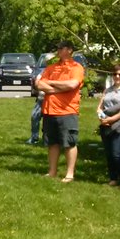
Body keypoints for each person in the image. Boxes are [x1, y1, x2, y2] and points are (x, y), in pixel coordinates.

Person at [34, 41, 85, 182]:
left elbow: (73, 84)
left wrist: (51, 83)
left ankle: (70, 174)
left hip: (67, 111)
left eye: (61, 48)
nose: (58, 50)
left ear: (69, 50)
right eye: (58, 48)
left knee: (69, 143)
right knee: (52, 143)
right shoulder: (52, 67)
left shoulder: (76, 67)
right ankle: (52, 171)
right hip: (49, 110)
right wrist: (60, 88)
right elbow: (39, 84)